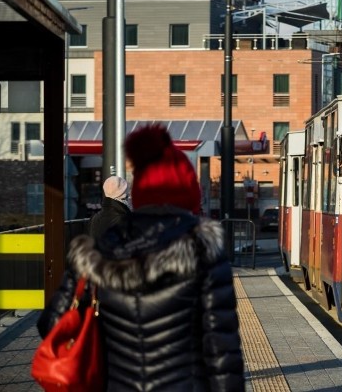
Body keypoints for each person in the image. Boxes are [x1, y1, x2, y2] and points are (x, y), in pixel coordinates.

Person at [38, 123, 244, 391]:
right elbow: (222, 353)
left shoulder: (98, 250)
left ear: (140, 190)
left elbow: (50, 324)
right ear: (189, 191)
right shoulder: (204, 251)